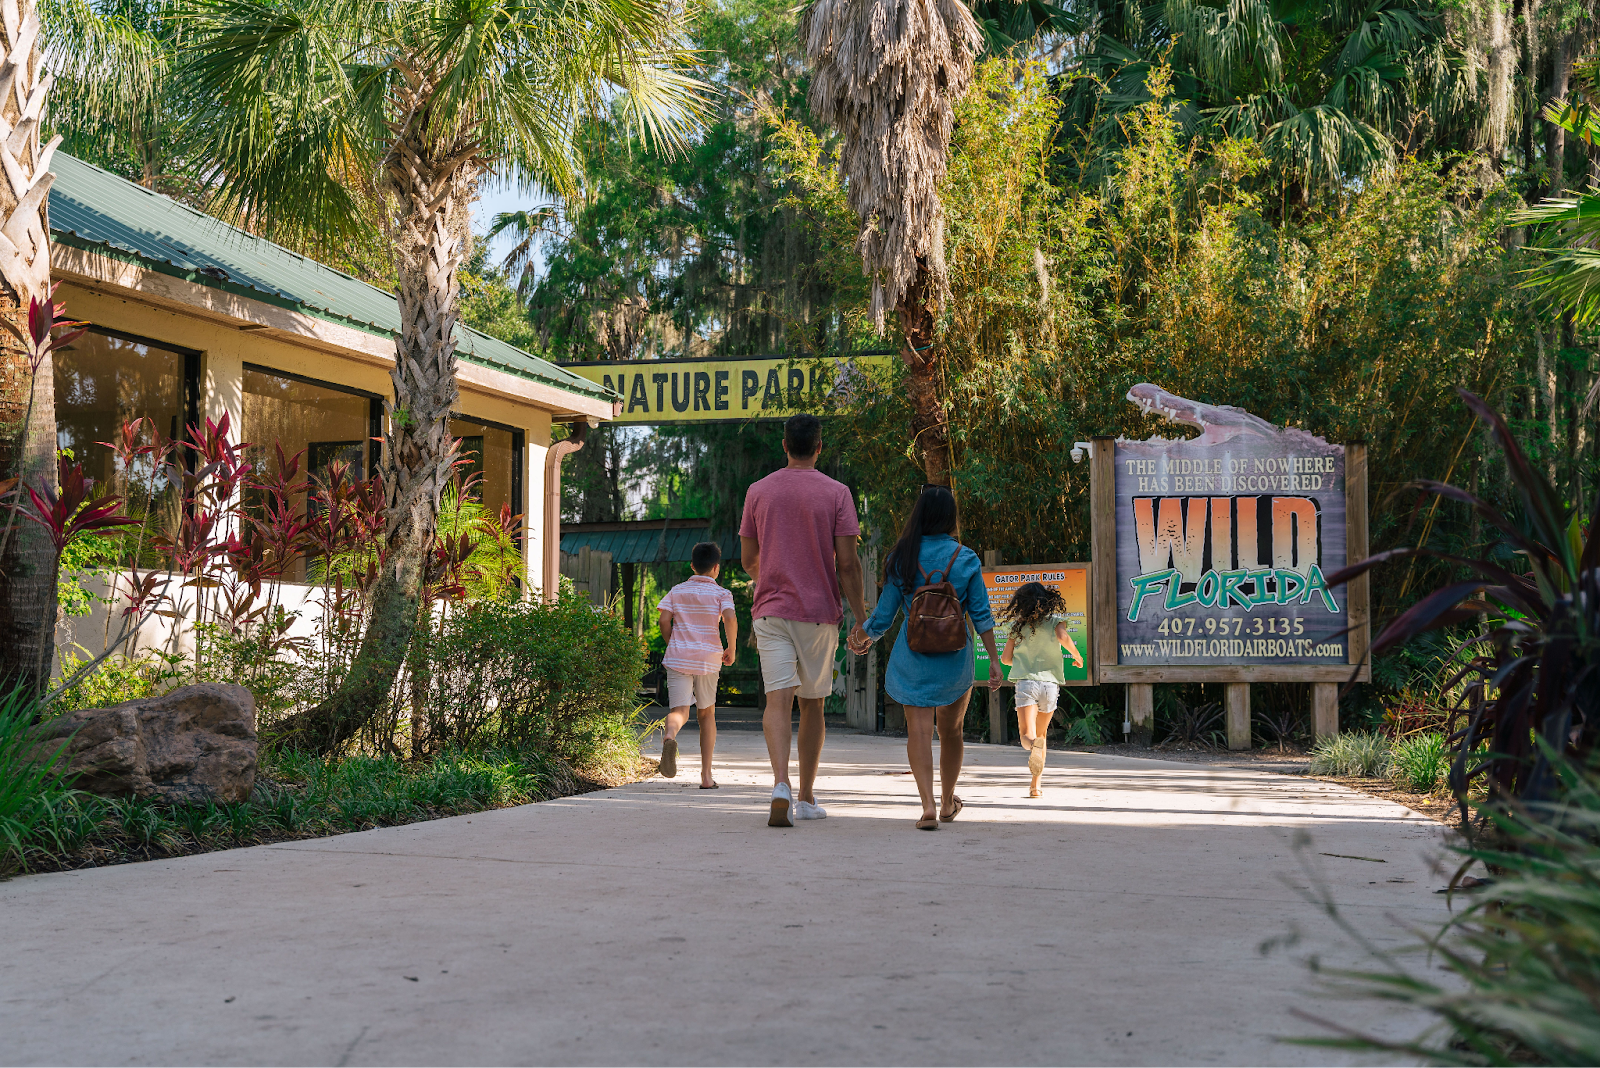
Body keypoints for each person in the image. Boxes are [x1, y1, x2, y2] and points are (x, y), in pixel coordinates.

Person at [739, 413, 869, 828]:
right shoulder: (837, 493)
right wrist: (862, 617)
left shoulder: (758, 492)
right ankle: (808, 797)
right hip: (817, 615)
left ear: (784, 446)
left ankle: (781, 784)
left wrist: (777, 576)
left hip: (771, 610)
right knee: (812, 703)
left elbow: (747, 561)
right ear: (818, 448)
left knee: (777, 699)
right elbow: (847, 564)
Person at [849, 486, 999, 831]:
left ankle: (927, 805)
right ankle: (948, 802)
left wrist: (862, 639)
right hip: (955, 656)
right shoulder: (966, 558)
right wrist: (992, 658)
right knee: (952, 731)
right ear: (950, 517)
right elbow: (981, 613)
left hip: (912, 657)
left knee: (918, 730)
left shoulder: (902, 556)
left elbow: (884, 616)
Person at [656, 541, 738, 789]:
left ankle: (670, 736)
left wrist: (672, 641)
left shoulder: (677, 590)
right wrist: (731, 648)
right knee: (706, 714)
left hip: (679, 657)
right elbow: (730, 619)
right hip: (708, 659)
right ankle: (706, 776)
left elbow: (663, 619)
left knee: (680, 710)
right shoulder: (722, 594)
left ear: (692, 566)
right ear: (716, 568)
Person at [998, 582, 1083, 798]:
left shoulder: (1017, 627)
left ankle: (1032, 747)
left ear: (1021, 604)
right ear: (1046, 601)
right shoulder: (1055, 621)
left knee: (1028, 736)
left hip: (1027, 683)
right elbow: (1064, 638)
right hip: (1050, 684)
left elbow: (1006, 659)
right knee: (1042, 734)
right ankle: (1035, 786)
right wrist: (1077, 656)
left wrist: (1020, 660)